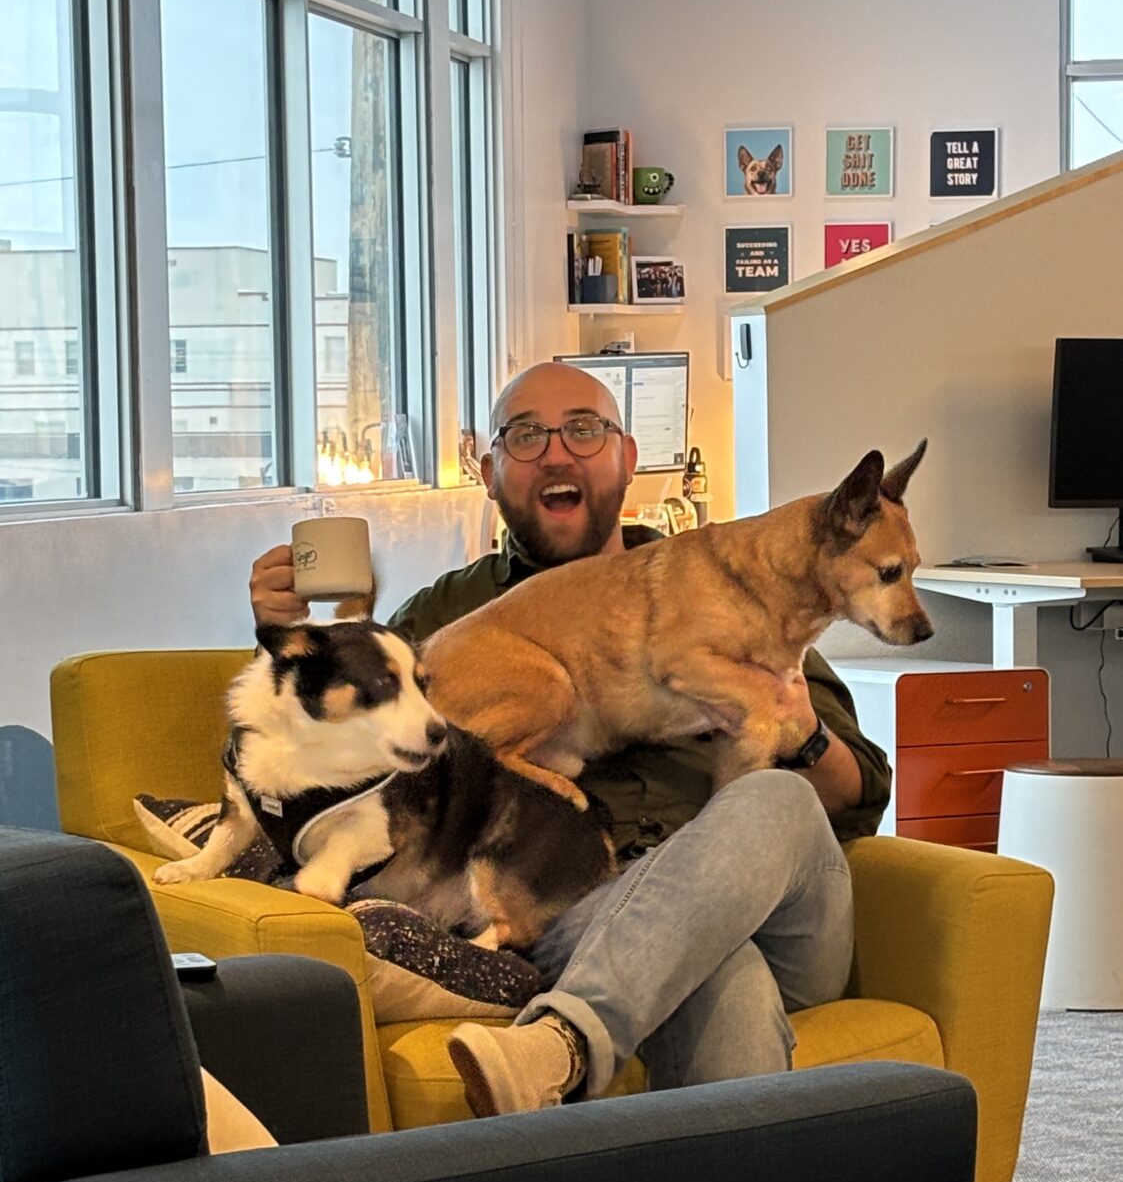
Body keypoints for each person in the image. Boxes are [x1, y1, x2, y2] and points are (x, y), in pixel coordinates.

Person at [250, 363, 891, 1119]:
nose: (556, 453)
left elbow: (858, 798)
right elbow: (330, 766)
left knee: (778, 798)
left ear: (627, 457)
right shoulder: (451, 615)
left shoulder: (726, 584)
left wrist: (801, 729)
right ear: (487, 472)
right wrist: (276, 637)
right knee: (723, 975)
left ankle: (556, 1045)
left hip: (775, 913)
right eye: (526, 435)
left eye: (584, 429)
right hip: (580, 905)